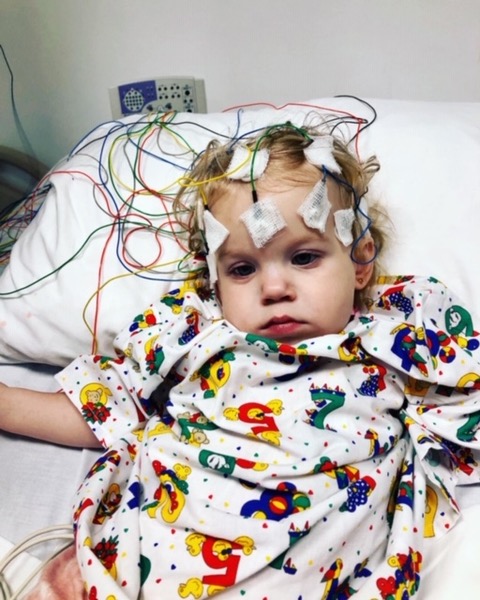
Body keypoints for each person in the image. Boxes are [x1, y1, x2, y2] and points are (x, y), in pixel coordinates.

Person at [1, 122, 480, 600]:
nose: (274, 288)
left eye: (305, 257)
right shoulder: (196, 333)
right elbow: (103, 408)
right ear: (215, 282)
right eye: (243, 269)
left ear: (360, 262)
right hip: (172, 548)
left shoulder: (394, 338)